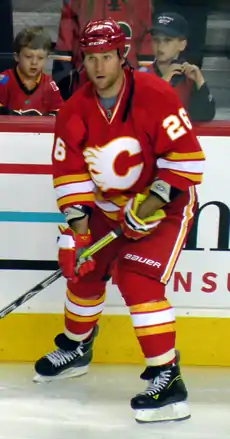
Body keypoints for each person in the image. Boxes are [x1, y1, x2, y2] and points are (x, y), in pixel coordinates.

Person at [34, 19, 205, 423]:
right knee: (83, 273)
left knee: (136, 280)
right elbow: (71, 175)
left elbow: (186, 163)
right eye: (91, 58)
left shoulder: (155, 95)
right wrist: (79, 237)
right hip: (110, 211)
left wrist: (144, 209)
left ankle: (168, 380)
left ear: (122, 56)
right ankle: (77, 347)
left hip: (166, 208)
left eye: (106, 57)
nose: (98, 66)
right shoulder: (75, 108)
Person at [52, 0, 153, 99]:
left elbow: (147, 47)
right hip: (86, 88)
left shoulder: (142, 3)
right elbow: (63, 56)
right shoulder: (76, 3)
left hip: (129, 89)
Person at [148, 12, 215, 122]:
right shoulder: (141, 75)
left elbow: (204, 116)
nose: (160, 46)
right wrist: (162, 84)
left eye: (167, 40)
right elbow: (138, 115)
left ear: (182, 44)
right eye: (156, 40)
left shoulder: (190, 77)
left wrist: (200, 83)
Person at [0, 26, 63, 116]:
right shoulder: (4, 80)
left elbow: (60, 111)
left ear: (46, 59)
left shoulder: (49, 84)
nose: (34, 62)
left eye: (40, 58)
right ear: (16, 57)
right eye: (28, 57)